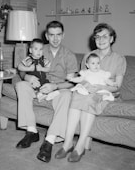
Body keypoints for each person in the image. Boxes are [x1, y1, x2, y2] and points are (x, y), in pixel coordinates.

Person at [55, 23, 127, 162]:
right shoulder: (88, 55)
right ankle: (67, 143)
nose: (101, 39)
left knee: (89, 99)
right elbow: (83, 77)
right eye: (97, 37)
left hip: (107, 93)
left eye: (105, 36)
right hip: (87, 91)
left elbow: (117, 86)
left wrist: (99, 87)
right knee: (76, 96)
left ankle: (80, 146)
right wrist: (85, 85)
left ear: (112, 39)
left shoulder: (119, 59)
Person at [15, 20, 78, 163]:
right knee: (21, 85)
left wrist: (55, 86)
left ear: (63, 35)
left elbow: (71, 82)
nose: (55, 38)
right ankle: (31, 131)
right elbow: (22, 70)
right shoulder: (38, 49)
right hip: (37, 86)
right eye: (52, 35)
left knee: (67, 95)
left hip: (57, 89)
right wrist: (28, 76)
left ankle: (49, 141)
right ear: (46, 36)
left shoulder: (69, 55)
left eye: (58, 35)